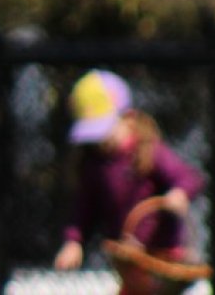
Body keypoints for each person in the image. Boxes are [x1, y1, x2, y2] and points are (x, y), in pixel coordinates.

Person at [53, 69, 205, 294]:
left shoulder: (149, 153)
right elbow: (83, 209)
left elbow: (189, 178)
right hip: (130, 259)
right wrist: (73, 241)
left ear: (129, 118)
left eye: (104, 131)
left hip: (162, 258)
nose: (100, 142)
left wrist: (179, 194)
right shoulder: (94, 166)